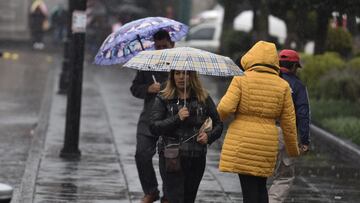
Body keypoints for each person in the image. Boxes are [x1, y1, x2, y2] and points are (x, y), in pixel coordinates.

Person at [217, 41, 300, 203]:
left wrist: (213, 122)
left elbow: (225, 108)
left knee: (248, 190)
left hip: (243, 141)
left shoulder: (241, 79)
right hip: (267, 142)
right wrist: (293, 149)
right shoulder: (282, 85)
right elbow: (289, 122)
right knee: (260, 186)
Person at [149, 70, 223, 203]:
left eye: (186, 74)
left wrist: (209, 136)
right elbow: (154, 127)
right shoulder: (163, 97)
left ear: (192, 76)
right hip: (171, 156)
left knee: (189, 198)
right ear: (172, 76)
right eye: (177, 73)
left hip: (196, 156)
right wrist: (177, 118)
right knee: (175, 198)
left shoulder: (203, 97)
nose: (181, 77)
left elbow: (218, 124)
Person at [130, 30, 174, 203]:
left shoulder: (178, 65)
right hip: (148, 118)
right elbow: (135, 88)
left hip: (170, 119)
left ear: (172, 45)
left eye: (165, 46)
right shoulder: (147, 65)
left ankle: (169, 194)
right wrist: (148, 88)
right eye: (158, 46)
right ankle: (151, 190)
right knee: (141, 154)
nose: (161, 49)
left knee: (169, 158)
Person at [268, 49, 310, 203]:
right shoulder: (298, 86)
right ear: (294, 67)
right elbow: (303, 114)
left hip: (264, 130)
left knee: (260, 173)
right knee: (284, 176)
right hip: (286, 133)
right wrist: (304, 140)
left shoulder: (269, 80)